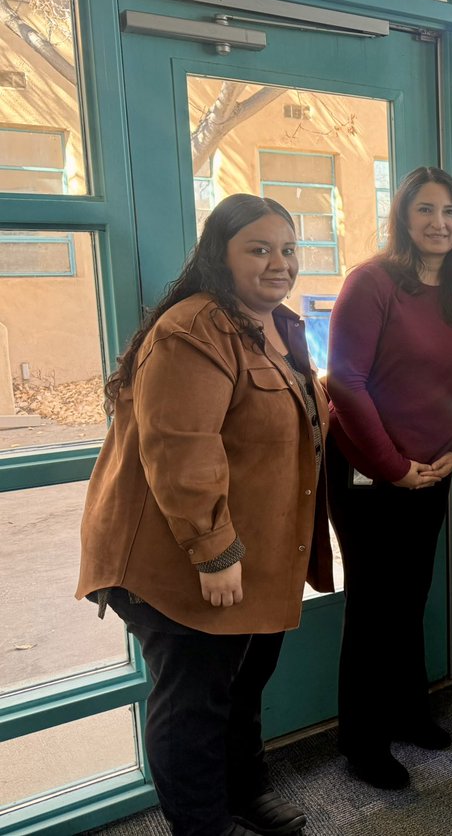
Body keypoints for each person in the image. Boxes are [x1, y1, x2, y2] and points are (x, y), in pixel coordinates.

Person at [76, 194, 332, 836]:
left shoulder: (274, 324)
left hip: (258, 557)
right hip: (183, 560)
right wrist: (214, 552)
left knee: (240, 690)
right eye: (259, 248)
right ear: (219, 254)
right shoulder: (193, 329)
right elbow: (182, 449)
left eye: (289, 248)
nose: (280, 263)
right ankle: (203, 827)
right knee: (192, 703)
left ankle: (243, 798)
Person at [325, 166, 452, 789]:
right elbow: (345, 383)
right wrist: (394, 466)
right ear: (403, 217)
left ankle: (410, 713)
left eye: (449, 211)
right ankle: (361, 741)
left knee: (410, 600)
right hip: (370, 475)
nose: (438, 222)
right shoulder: (372, 282)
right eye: (424, 209)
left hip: (433, 471)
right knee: (373, 608)